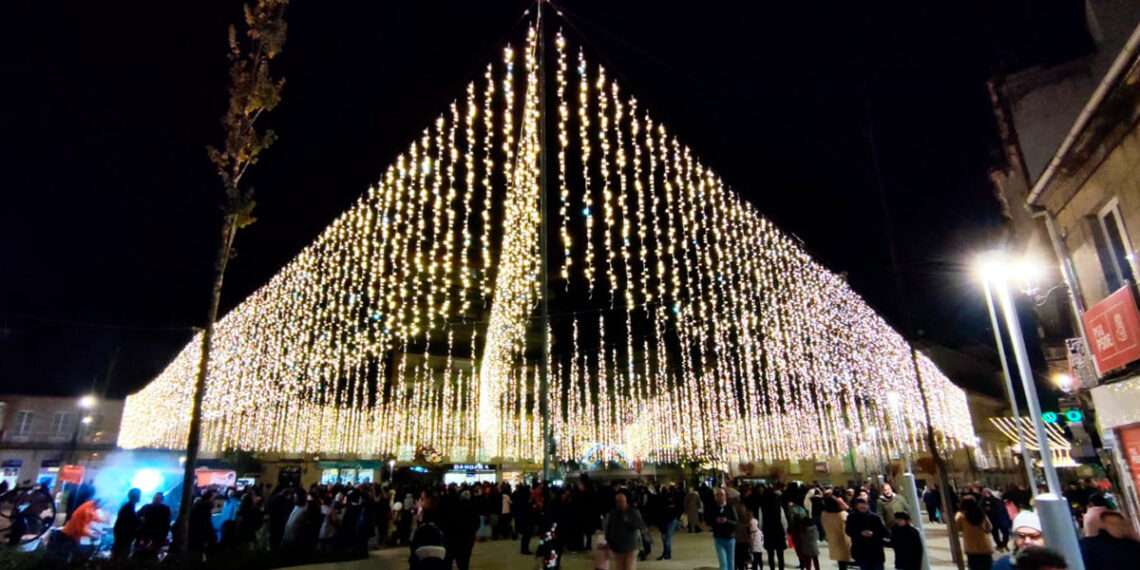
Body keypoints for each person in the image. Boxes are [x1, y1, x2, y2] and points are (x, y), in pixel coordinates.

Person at [603, 490, 648, 570]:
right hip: (617, 547)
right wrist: (608, 542)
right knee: (619, 567)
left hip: (631, 546)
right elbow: (609, 529)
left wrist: (629, 521)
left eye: (621, 501)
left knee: (630, 567)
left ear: (626, 501)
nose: (619, 503)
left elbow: (642, 526)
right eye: (617, 501)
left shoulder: (633, 512)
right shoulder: (613, 513)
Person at [845, 497, 887, 570]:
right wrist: (860, 533)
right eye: (860, 506)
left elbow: (883, 532)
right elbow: (848, 531)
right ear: (856, 506)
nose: (863, 507)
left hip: (875, 551)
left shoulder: (875, 517)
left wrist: (873, 534)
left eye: (865, 505)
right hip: (861, 551)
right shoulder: (852, 517)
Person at [954, 495, 993, 570]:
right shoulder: (981, 514)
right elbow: (989, 527)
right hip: (985, 547)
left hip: (971, 549)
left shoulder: (961, 516)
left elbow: (955, 528)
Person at [706, 488, 738, 570]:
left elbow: (736, 522)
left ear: (725, 496)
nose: (720, 497)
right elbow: (708, 521)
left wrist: (726, 521)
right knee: (723, 563)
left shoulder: (730, 507)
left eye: (722, 495)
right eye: (717, 495)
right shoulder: (712, 508)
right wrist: (715, 520)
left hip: (730, 539)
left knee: (731, 563)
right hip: (719, 538)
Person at [821, 494, 853, 570]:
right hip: (845, 541)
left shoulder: (824, 514)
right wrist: (846, 506)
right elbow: (854, 516)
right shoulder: (842, 515)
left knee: (841, 564)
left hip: (833, 541)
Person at [135, 492, 171, 559]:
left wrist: (160, 540)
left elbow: (166, 526)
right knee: (139, 555)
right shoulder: (146, 507)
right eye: (155, 498)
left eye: (158, 498)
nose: (156, 500)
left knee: (151, 556)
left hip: (156, 538)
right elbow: (136, 516)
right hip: (144, 536)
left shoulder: (165, 510)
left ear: (161, 500)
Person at [760, 488, 788, 570]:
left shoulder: (762, 507)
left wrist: (763, 531)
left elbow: (760, 521)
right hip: (779, 531)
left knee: (770, 554)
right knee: (780, 554)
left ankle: (772, 568)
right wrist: (785, 532)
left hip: (768, 532)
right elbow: (784, 521)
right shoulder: (778, 507)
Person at [112, 488, 141, 561]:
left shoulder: (129, 506)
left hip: (123, 537)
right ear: (135, 496)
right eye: (139, 495)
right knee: (120, 557)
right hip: (124, 538)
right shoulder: (128, 507)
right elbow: (127, 523)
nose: (140, 497)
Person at [655, 484, 681, 560]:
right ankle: (666, 553)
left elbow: (658, 512)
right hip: (670, 519)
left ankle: (666, 554)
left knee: (666, 538)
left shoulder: (659, 499)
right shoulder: (672, 498)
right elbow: (678, 508)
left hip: (666, 520)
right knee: (667, 538)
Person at [734, 501, 754, 570]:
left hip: (739, 540)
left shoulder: (745, 516)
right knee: (741, 559)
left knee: (738, 559)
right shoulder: (746, 517)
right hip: (742, 540)